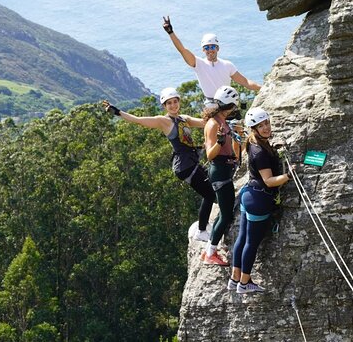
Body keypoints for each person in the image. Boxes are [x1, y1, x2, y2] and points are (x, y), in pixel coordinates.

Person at [102, 88, 215, 241]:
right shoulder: (164, 121)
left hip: (191, 162)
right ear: (164, 106)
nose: (173, 105)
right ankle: (201, 231)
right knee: (209, 194)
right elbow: (138, 120)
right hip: (185, 166)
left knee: (211, 186)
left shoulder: (184, 118)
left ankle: (203, 224)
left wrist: (221, 113)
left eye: (175, 102)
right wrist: (118, 112)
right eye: (169, 103)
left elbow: (206, 123)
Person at [229, 107, 292, 293]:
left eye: (267, 123)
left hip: (248, 195)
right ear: (254, 129)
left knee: (242, 238)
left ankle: (235, 278)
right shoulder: (260, 153)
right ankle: (245, 282)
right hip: (259, 201)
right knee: (251, 243)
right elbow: (270, 181)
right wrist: (289, 175)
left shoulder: (253, 142)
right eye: (261, 125)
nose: (266, 128)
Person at [162, 16, 261, 102]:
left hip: (228, 104)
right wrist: (171, 32)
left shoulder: (227, 65)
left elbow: (245, 82)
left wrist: (263, 88)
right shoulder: (198, 64)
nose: (210, 50)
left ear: (217, 48)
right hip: (211, 104)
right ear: (203, 50)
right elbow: (182, 50)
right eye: (206, 48)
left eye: (212, 47)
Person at [200, 85, 241, 265]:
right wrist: (220, 142)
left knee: (223, 212)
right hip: (219, 170)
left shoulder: (222, 121)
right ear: (229, 106)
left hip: (225, 168)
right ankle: (211, 253)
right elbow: (210, 154)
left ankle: (209, 248)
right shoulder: (213, 124)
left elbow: (233, 150)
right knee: (226, 215)